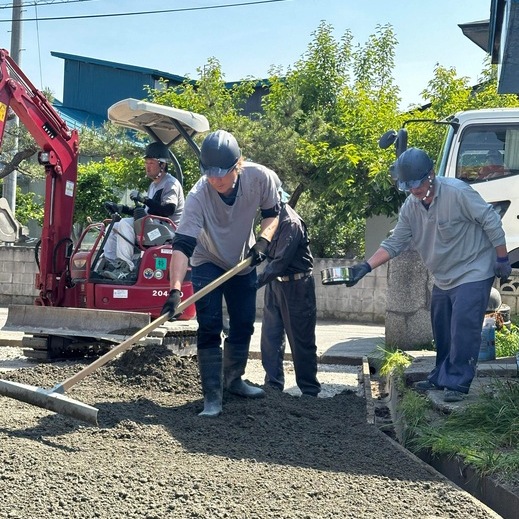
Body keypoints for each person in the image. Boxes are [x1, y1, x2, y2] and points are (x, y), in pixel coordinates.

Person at [346, 147, 511, 403]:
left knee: (463, 327)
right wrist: (365, 267)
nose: (414, 191)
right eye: (408, 186)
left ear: (431, 174)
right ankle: (441, 375)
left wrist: (501, 257)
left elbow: (490, 219)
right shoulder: (411, 207)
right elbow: (395, 243)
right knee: (442, 327)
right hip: (445, 275)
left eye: (418, 184)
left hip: (474, 268)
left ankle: (458, 382)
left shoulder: (457, 193)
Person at [161, 129, 280, 417]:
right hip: (207, 260)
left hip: (242, 260)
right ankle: (212, 397)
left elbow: (272, 213)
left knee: (243, 324)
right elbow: (183, 245)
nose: (215, 180)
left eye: (222, 174)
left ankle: (234, 380)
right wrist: (175, 289)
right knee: (210, 325)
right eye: (209, 173)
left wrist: (263, 241)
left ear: (237, 165)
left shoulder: (260, 179)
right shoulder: (199, 195)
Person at [256, 185, 321, 397]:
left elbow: (280, 262)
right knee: (270, 338)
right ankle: (273, 386)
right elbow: (264, 254)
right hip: (276, 285)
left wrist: (251, 284)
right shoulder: (270, 221)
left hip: (297, 287)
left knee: (300, 340)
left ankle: (309, 390)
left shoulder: (290, 223)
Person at [101, 141, 184, 279]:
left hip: (168, 230)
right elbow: (146, 212)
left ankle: (126, 267)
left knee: (125, 224)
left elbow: (168, 210)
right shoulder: (153, 185)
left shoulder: (170, 183)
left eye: (151, 163)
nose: (147, 167)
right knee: (113, 226)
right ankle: (112, 263)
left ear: (162, 165)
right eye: (146, 163)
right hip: (154, 227)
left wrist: (144, 199)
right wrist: (121, 208)